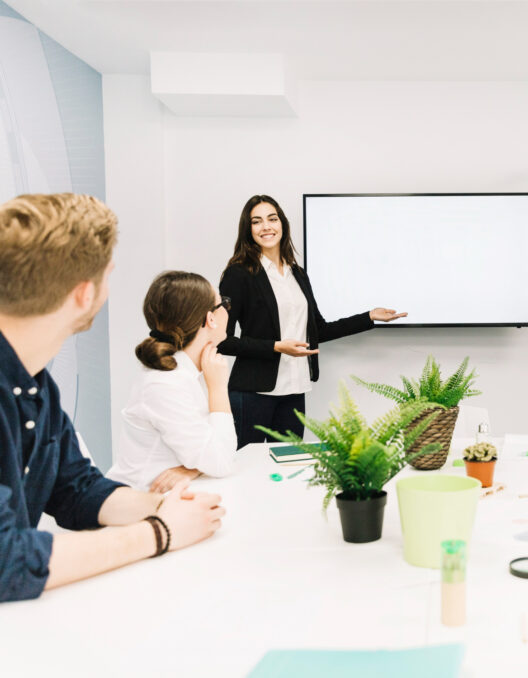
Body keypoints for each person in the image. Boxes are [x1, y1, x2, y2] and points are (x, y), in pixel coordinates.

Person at [0, 193, 225, 603]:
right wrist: (159, 531)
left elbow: (77, 490)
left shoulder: (37, 385)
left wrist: (162, 504)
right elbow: (5, 561)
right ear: (85, 294)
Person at [219, 194, 406, 449]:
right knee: (242, 467)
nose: (266, 227)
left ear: (282, 224)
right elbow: (222, 340)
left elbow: (319, 330)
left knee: (286, 468)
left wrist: (369, 317)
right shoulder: (239, 273)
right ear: (248, 229)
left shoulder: (297, 273)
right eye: (257, 221)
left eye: (272, 219)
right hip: (253, 392)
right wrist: (275, 347)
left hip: (294, 390)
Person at [107, 271, 237, 492]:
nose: (227, 308)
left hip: (167, 501)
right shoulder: (165, 384)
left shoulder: (180, 373)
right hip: (141, 507)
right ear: (210, 319)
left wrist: (194, 468)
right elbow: (221, 461)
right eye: (223, 303)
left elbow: (210, 453)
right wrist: (217, 388)